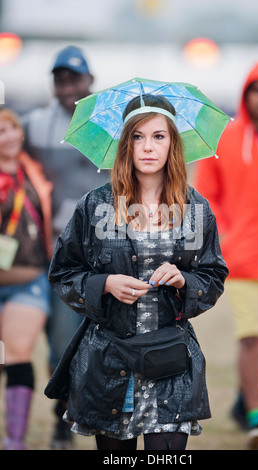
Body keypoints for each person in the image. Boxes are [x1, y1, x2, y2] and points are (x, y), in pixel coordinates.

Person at [44, 93, 228, 451]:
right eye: (137, 137)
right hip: (109, 358)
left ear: (173, 143)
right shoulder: (95, 205)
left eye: (158, 136)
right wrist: (105, 284)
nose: (147, 147)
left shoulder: (195, 208)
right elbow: (63, 273)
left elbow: (213, 276)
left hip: (171, 359)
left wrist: (184, 280)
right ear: (125, 144)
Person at [194, 62, 258, 450]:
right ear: (246, 95)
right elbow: (208, 196)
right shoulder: (226, 140)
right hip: (242, 258)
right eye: (257, 90)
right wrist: (227, 235)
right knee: (251, 336)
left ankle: (243, 399)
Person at [22, 45, 110, 448]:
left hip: (102, 253)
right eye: (60, 80)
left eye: (75, 79)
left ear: (90, 81)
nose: (68, 86)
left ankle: (85, 416)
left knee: (99, 344)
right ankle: (62, 418)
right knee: (62, 342)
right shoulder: (34, 126)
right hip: (52, 252)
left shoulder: (114, 127)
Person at [0, 108, 53, 450]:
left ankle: (15, 440)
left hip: (30, 278)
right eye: (0, 131)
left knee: (18, 352)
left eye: (11, 129)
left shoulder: (33, 171)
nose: (7, 137)